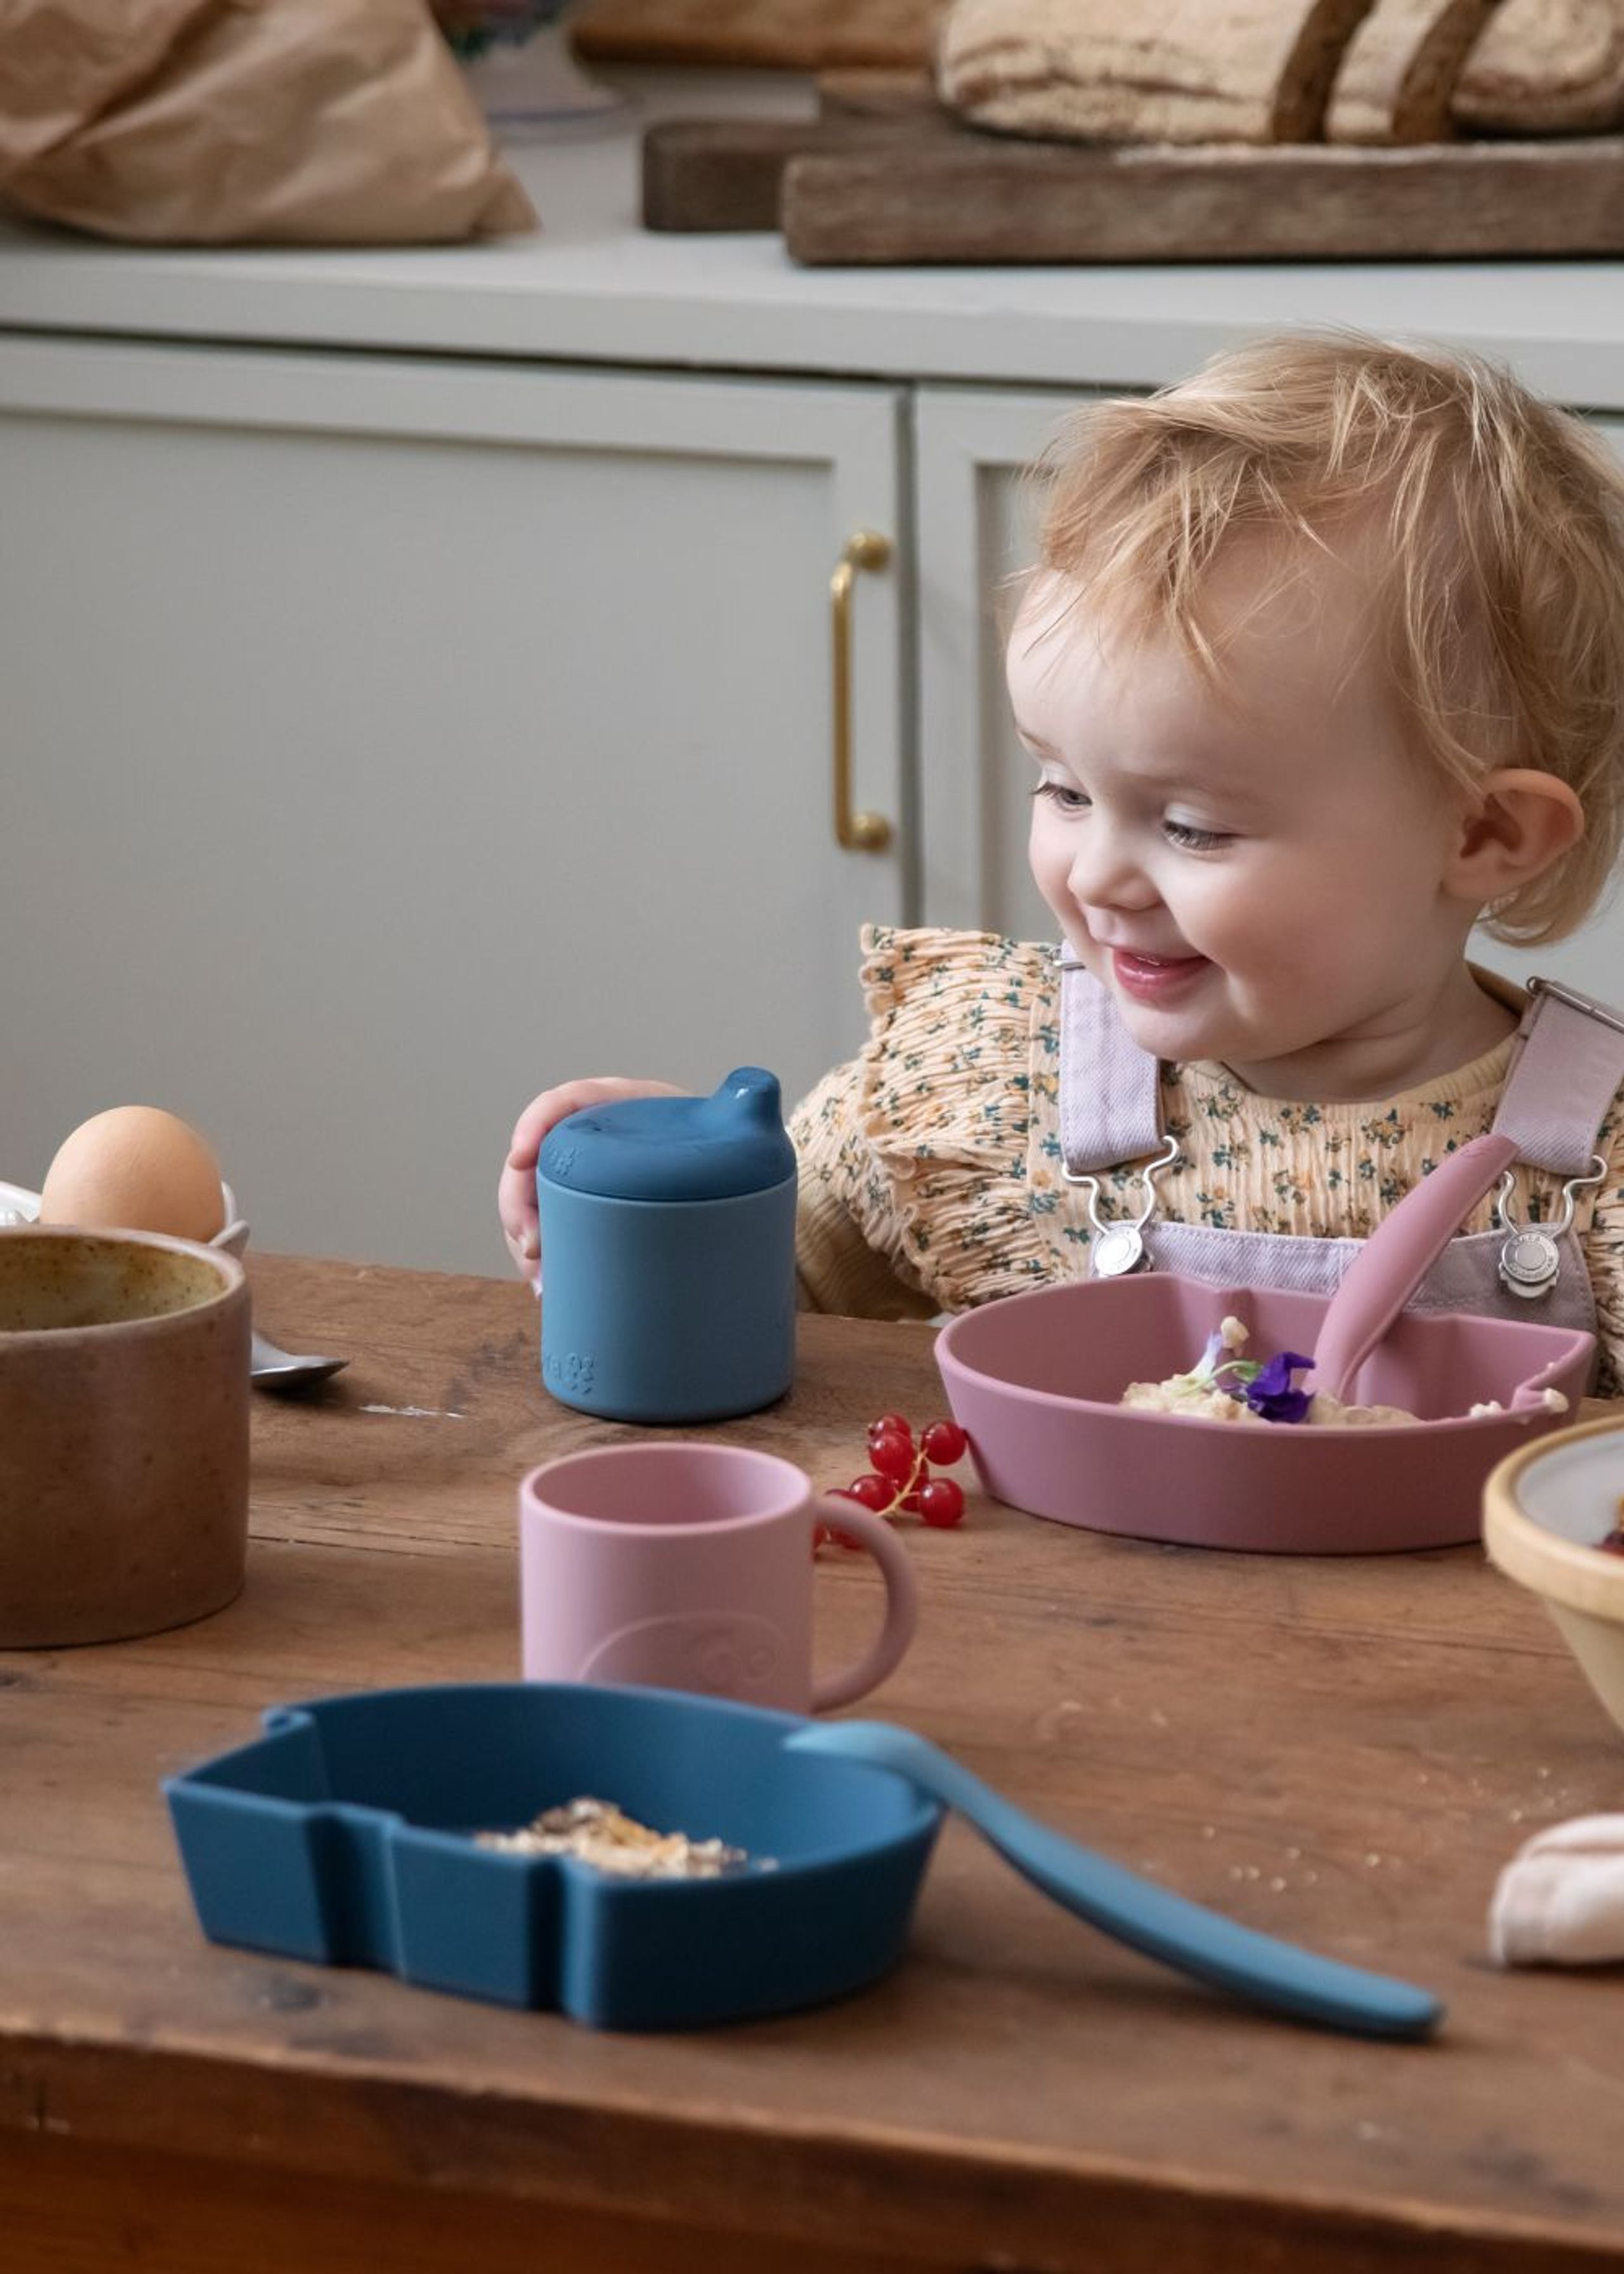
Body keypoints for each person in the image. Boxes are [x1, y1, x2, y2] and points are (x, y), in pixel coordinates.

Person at [500, 328, 1624, 1389]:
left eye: (1193, 828)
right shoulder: (994, 1078)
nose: (1096, 878)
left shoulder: (1606, 1169)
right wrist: (680, 1205)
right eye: (1066, 791)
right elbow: (772, 1298)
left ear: (1483, 836)